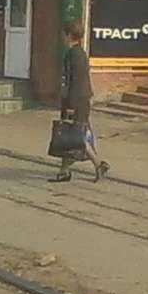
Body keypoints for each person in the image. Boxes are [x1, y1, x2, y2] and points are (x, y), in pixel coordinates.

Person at [54, 21, 109, 183]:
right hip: (80, 99)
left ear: (69, 35)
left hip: (76, 101)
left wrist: (70, 106)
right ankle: (64, 171)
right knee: (70, 134)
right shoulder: (79, 53)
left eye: (64, 34)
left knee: (75, 135)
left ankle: (98, 164)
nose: (63, 37)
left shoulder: (75, 55)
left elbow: (76, 82)